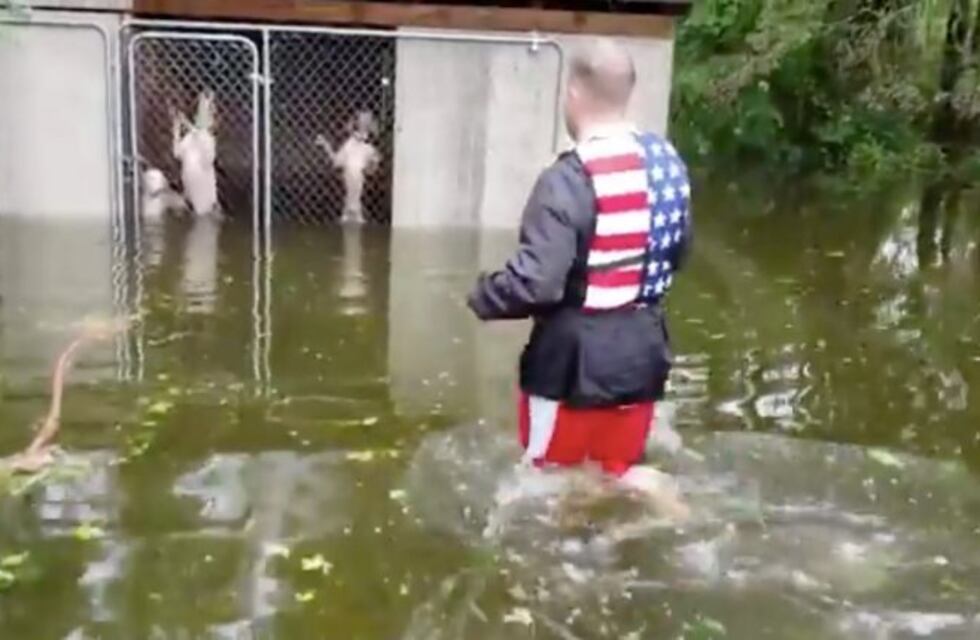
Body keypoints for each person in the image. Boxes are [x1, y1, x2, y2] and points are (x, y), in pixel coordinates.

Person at [466, 38, 692, 479]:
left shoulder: (567, 178)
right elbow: (678, 255)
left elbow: (537, 283)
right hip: (644, 357)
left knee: (546, 486)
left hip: (570, 368)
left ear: (572, 93)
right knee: (618, 476)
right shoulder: (669, 167)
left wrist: (483, 295)